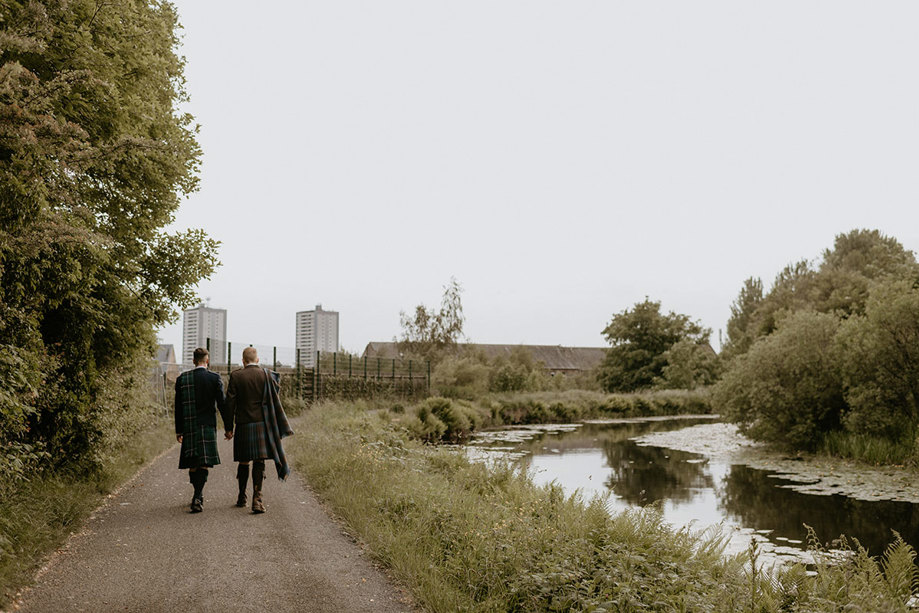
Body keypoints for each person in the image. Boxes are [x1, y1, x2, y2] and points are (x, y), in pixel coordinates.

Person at [225, 347, 293, 513]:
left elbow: (229, 404)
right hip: (262, 425)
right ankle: (257, 498)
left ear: (243, 360)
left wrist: (228, 428)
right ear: (257, 359)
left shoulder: (236, 376)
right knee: (259, 461)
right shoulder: (266, 375)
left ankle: (242, 496)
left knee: (243, 461)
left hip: (243, 424)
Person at [174, 347, 231, 513]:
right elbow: (222, 404)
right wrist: (228, 427)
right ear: (207, 361)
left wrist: (179, 430)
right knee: (204, 463)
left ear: (193, 361)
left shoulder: (183, 379)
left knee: (193, 463)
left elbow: (178, 407)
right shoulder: (214, 378)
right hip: (207, 425)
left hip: (189, 427)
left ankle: (197, 494)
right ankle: (198, 496)